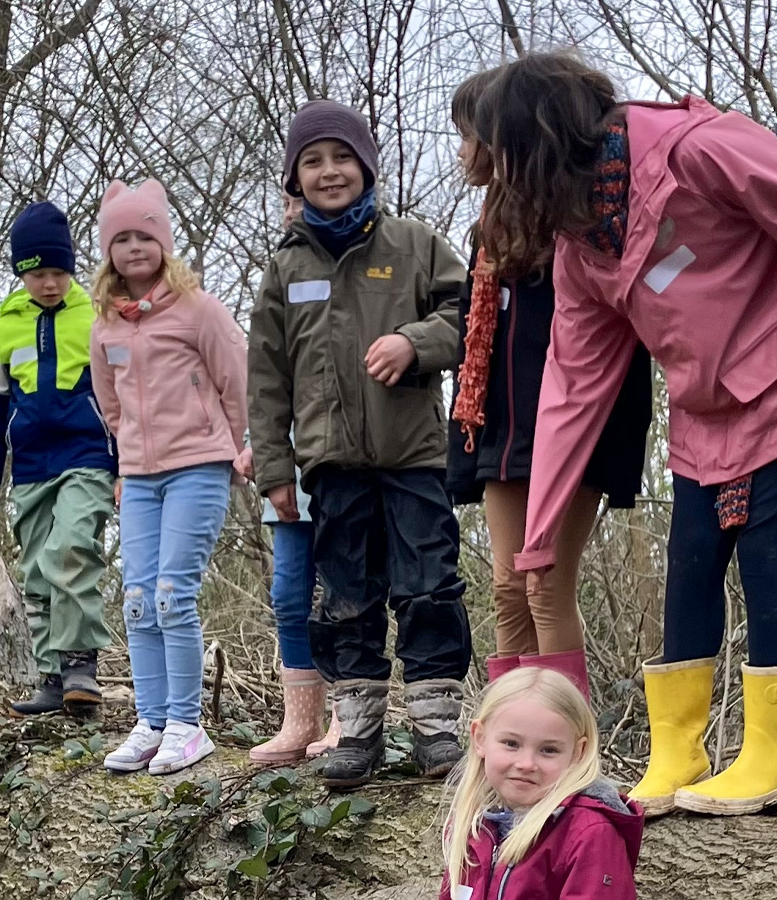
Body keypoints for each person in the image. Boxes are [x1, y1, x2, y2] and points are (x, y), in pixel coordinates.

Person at [475, 53, 777, 817]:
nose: (497, 180)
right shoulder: (581, 241)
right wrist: (539, 535)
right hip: (702, 409)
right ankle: (677, 753)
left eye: (503, 159)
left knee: (764, 548)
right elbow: (571, 384)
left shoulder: (699, 149)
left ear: (540, 145)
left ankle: (774, 755)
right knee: (688, 564)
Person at [248, 99, 474, 788]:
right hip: (330, 465)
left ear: (367, 166)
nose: (329, 171)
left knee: (428, 585)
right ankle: (359, 730)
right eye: (312, 161)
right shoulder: (285, 271)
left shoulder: (412, 244)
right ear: (295, 178)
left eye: (342, 157)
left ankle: (436, 726)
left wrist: (416, 342)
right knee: (345, 596)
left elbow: (468, 313)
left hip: (414, 457)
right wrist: (275, 470)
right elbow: (265, 379)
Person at [445, 67, 653, 698]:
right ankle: (512, 739)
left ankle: (569, 745)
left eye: (469, 136)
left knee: (545, 583)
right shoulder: (488, 228)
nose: (462, 153)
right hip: (503, 429)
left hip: (577, 425)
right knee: (508, 586)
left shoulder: (584, 216)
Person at [89, 178, 248, 777]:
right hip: (139, 477)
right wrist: (126, 461)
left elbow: (237, 375)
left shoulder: (197, 309)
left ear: (163, 242)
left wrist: (242, 446)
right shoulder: (104, 324)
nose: (134, 248)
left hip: (199, 465)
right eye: (121, 238)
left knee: (171, 596)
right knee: (135, 599)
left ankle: (187, 724)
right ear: (109, 250)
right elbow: (108, 402)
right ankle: (151, 721)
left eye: (144, 236)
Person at [0, 201, 118, 719]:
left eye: (58, 272)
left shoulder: (97, 314)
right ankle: (53, 678)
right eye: (37, 273)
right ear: (21, 273)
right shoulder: (6, 326)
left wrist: (122, 467)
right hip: (31, 466)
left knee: (72, 549)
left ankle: (82, 665)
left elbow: (120, 393)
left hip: (87, 455)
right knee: (35, 570)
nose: (49, 283)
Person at [235, 192, 336, 764]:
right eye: (288, 201)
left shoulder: (365, 269)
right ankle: (300, 723)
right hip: (290, 468)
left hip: (348, 463)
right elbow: (271, 377)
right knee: (289, 593)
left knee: (346, 593)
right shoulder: (282, 278)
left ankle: (351, 716)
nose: (295, 210)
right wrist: (257, 447)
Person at [440, 667, 643, 900]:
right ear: (480, 738)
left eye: (548, 750)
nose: (526, 764)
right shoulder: (472, 825)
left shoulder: (591, 834)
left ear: (578, 752)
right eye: (511, 743)